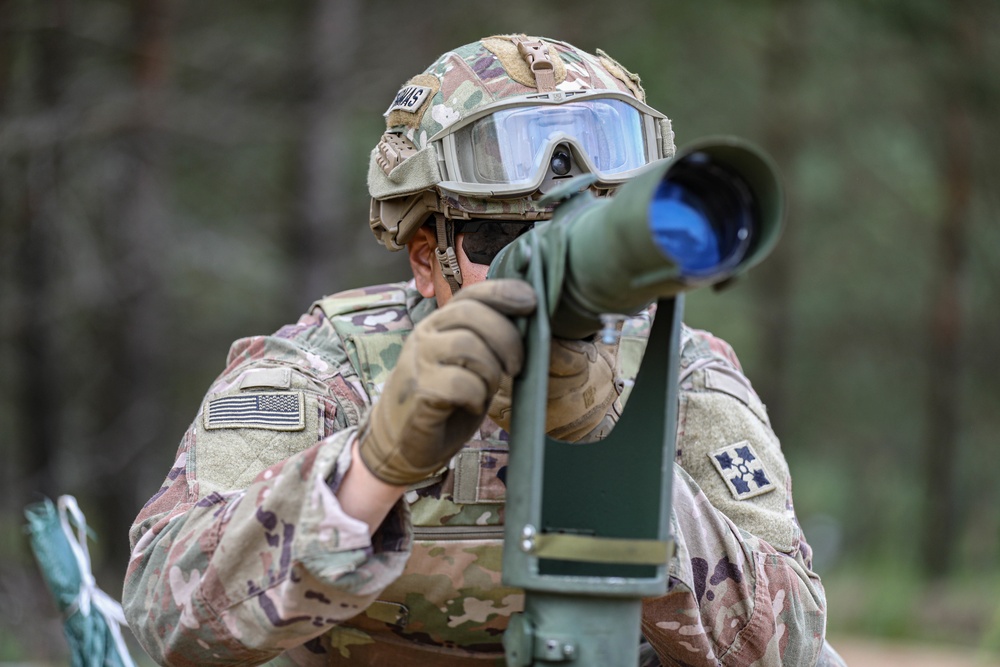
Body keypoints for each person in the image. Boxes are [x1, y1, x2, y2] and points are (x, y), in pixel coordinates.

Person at [123, 35, 844, 666]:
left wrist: (605, 449)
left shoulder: (676, 373)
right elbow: (165, 618)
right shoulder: (325, 371)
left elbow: (791, 645)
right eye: (497, 242)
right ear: (424, 256)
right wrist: (373, 466)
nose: (531, 266)